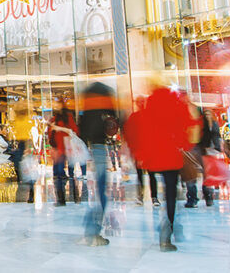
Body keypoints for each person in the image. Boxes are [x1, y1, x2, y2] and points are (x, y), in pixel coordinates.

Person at [140, 77, 199, 252]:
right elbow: (187, 124)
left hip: (155, 154)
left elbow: (145, 128)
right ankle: (168, 228)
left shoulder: (150, 103)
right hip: (172, 154)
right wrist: (184, 144)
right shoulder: (174, 102)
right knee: (171, 192)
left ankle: (166, 219)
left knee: (159, 185)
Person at [77, 81, 117, 247]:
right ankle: (93, 231)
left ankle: (91, 229)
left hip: (91, 144)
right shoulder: (106, 96)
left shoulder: (86, 98)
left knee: (99, 189)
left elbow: (82, 125)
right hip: (100, 144)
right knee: (102, 188)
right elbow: (114, 119)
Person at [124, 96, 160, 207]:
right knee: (142, 174)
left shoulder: (149, 116)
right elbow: (129, 133)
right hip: (140, 149)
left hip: (148, 149)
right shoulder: (135, 117)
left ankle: (153, 197)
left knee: (151, 174)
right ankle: (143, 196)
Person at [48, 98, 84, 206]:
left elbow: (74, 131)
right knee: (58, 174)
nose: (55, 106)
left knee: (71, 173)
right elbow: (50, 135)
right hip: (59, 149)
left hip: (69, 148)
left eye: (57, 104)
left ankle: (76, 197)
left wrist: (59, 128)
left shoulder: (68, 117)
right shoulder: (53, 119)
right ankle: (61, 199)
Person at [186, 107, 221, 208]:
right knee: (192, 175)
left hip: (207, 151)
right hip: (196, 150)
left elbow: (216, 136)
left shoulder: (212, 124)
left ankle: (208, 195)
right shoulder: (195, 123)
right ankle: (192, 198)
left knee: (207, 175)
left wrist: (217, 149)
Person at [10, 105, 35, 203]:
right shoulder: (19, 121)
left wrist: (28, 148)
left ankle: (31, 191)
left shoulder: (25, 122)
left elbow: (29, 136)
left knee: (26, 168)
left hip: (24, 144)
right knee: (21, 166)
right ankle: (27, 187)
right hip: (21, 144)